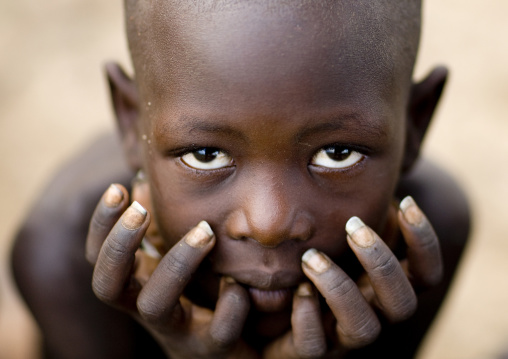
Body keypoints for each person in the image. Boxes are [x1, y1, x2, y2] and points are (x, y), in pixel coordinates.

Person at [11, 1, 470, 358]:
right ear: (133, 124)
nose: (268, 223)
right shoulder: (61, 260)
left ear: (415, 123)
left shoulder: (426, 242)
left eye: (337, 153)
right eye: (206, 154)